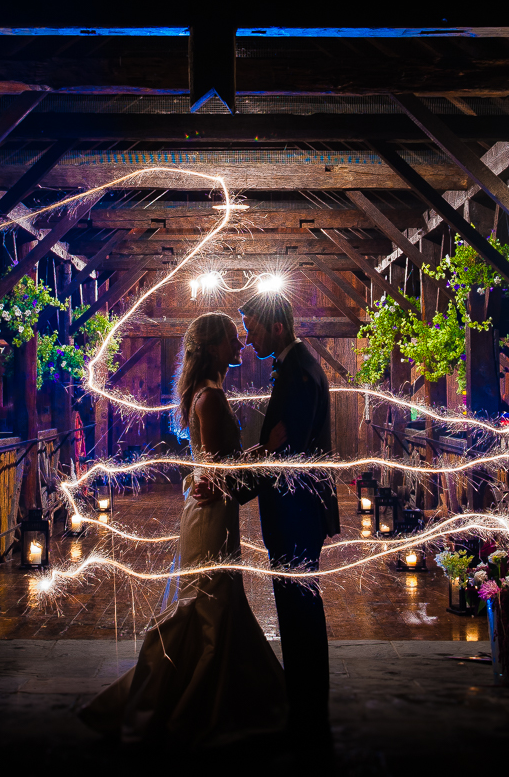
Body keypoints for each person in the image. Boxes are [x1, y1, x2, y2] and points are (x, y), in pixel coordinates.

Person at [79, 312, 288, 747]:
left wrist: (247, 456)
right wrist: (266, 453)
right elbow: (216, 474)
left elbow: (212, 467)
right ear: (213, 348)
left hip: (215, 512)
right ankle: (183, 709)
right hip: (212, 517)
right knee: (207, 607)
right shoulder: (210, 397)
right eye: (232, 340)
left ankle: (212, 698)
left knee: (215, 604)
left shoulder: (206, 392)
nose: (241, 346)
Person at [236, 290, 338, 743]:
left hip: (295, 508)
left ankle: (307, 708)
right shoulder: (297, 364)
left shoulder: (296, 371)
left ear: (277, 327)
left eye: (253, 327)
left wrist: (239, 485)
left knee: (298, 608)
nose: (248, 337)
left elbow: (290, 449)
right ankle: (306, 702)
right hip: (296, 507)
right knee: (298, 605)